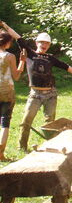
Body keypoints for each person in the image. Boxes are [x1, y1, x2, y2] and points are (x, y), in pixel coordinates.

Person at [0, 21, 72, 151]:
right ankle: (22, 146)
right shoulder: (30, 53)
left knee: (50, 124)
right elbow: (18, 38)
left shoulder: (51, 58)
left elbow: (66, 66)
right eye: (42, 42)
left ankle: (49, 146)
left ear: (49, 45)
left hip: (51, 95)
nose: (44, 45)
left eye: (47, 43)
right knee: (26, 121)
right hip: (35, 94)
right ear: (37, 43)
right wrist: (5, 25)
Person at [0, 31, 26, 160]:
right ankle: (0, 153)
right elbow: (16, 76)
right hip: (6, 92)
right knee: (5, 122)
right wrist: (22, 61)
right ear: (8, 42)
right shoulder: (9, 56)